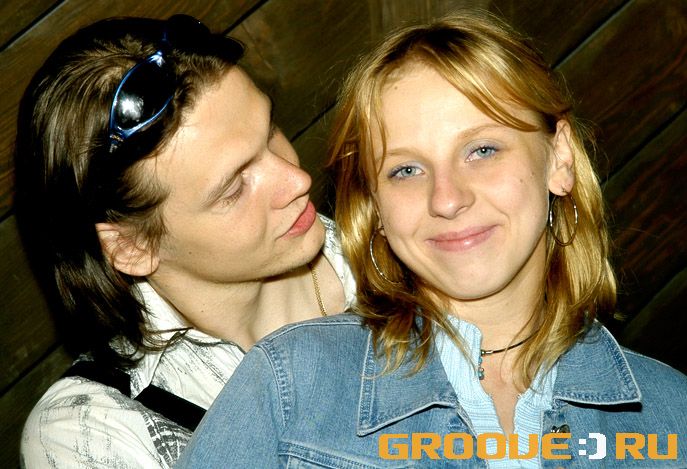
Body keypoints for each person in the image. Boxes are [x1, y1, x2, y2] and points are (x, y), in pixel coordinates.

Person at [176, 10, 687, 468]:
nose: (447, 198)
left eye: (482, 150)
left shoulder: (672, 417)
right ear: (375, 207)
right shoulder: (291, 387)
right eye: (406, 170)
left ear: (560, 158)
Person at [15, 14, 355, 468]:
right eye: (233, 188)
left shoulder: (396, 252)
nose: (297, 179)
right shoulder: (94, 430)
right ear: (132, 247)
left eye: (271, 130)